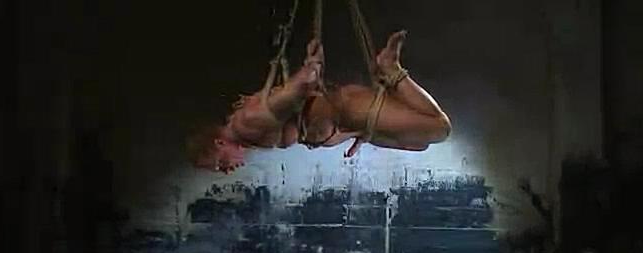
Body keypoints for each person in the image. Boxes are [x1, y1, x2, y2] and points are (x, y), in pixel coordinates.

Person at [186, 31, 452, 174]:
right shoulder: (248, 135)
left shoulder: (249, 123)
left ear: (219, 143)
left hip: (348, 109)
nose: (226, 171)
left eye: (219, 165)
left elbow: (291, 93)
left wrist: (308, 73)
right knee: (418, 144)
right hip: (350, 125)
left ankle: (391, 69)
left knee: (439, 129)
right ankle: (390, 73)